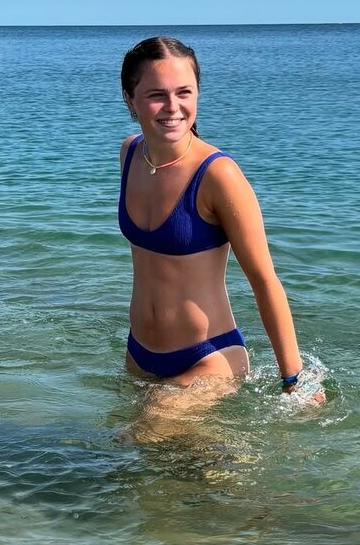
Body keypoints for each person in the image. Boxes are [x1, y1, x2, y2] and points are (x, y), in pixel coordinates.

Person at [118, 35, 324, 409]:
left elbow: (264, 280)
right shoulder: (130, 154)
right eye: (156, 95)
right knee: (145, 447)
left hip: (209, 357)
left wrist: (293, 380)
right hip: (139, 354)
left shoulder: (217, 174)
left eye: (184, 92)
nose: (173, 107)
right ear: (129, 99)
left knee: (141, 431)